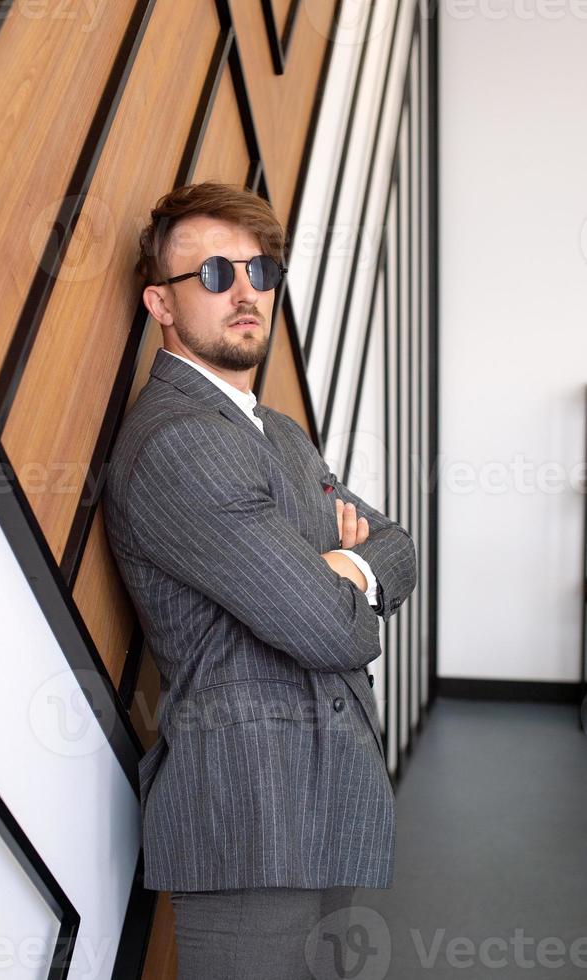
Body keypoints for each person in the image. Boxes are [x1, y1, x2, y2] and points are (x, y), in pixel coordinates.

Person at [102, 181, 417, 979]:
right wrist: (340, 575)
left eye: (259, 271)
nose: (246, 293)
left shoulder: (275, 432)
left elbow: (400, 546)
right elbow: (332, 629)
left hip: (324, 793)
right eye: (212, 274)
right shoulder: (181, 444)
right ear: (160, 304)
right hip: (250, 810)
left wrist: (341, 565)